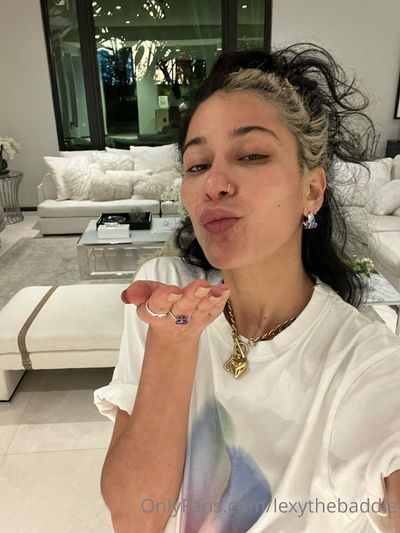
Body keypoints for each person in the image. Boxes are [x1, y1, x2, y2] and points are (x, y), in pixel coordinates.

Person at [94, 43, 400, 532]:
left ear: (312, 190)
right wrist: (172, 346)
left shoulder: (365, 361)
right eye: (197, 165)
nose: (214, 183)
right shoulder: (165, 295)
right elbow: (135, 519)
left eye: (252, 155)